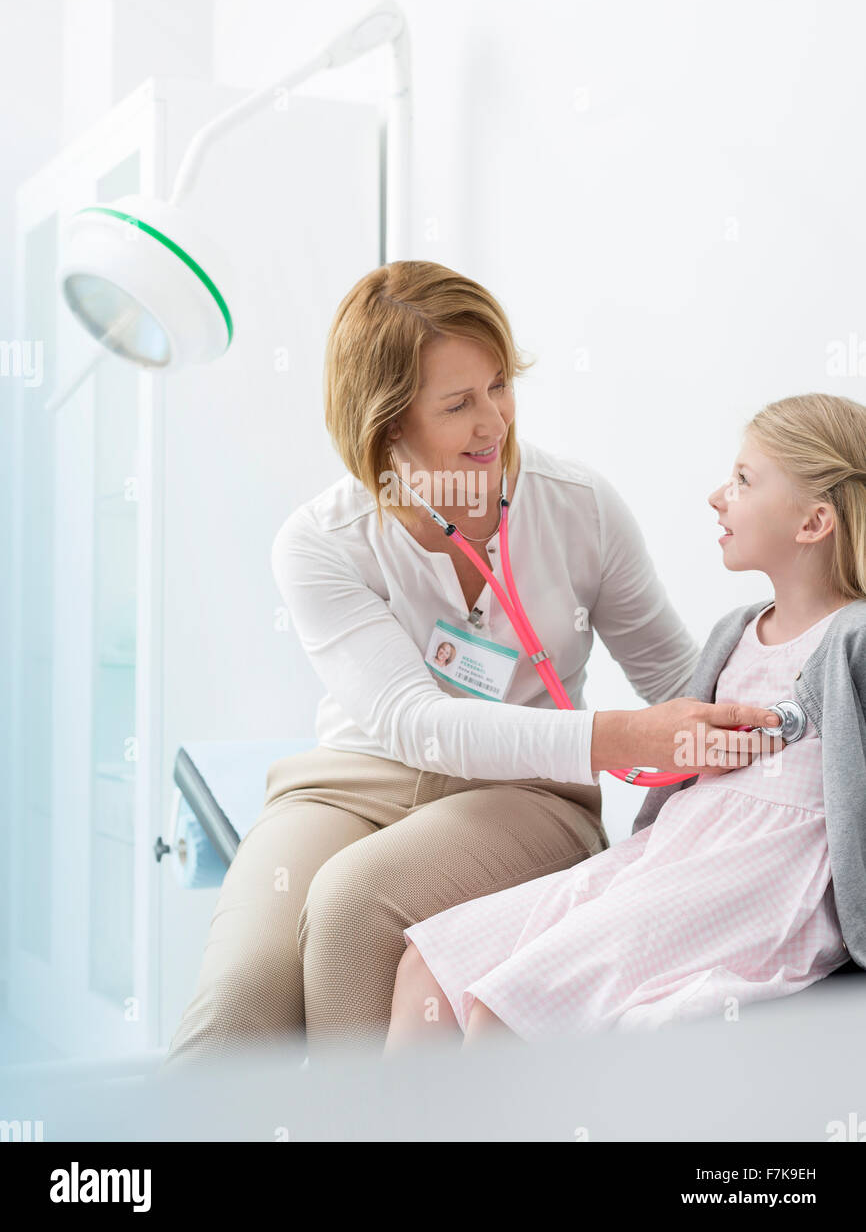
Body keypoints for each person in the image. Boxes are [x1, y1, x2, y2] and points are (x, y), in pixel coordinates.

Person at [164, 261, 776, 1065]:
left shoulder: (577, 506)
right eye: (457, 404)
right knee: (235, 1010)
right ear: (385, 426)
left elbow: (678, 679)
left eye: (499, 385)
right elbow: (415, 727)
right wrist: (625, 739)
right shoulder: (321, 541)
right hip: (357, 779)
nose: (494, 422)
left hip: (525, 796)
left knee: (351, 906)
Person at [385, 393, 866, 1050]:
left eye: (744, 481)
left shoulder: (855, 640)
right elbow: (688, 769)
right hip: (671, 853)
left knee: (508, 1013)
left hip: (758, 881)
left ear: (814, 522)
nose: (717, 497)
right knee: (430, 970)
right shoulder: (734, 632)